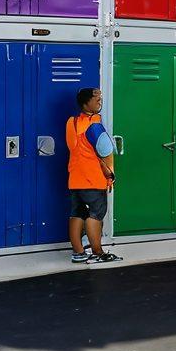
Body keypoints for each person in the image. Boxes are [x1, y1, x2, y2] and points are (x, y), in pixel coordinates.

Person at [66, 88, 121, 265]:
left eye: (101, 99)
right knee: (96, 214)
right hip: (93, 178)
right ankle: (98, 253)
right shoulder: (94, 126)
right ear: (85, 102)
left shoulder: (72, 122)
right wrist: (110, 175)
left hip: (75, 177)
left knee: (77, 213)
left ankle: (78, 253)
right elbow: (105, 151)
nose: (100, 102)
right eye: (96, 99)